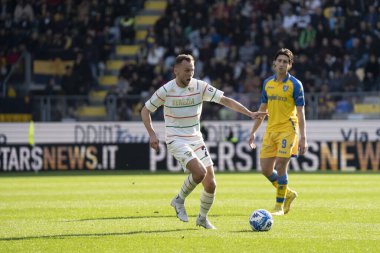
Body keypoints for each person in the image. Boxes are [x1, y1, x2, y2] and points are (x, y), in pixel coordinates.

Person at [141, 54, 267, 229]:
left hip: (196, 138)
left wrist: (250, 113)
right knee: (199, 173)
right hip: (176, 139)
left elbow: (225, 100)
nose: (190, 74)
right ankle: (179, 200)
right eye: (186, 70)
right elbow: (145, 110)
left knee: (211, 184)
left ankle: (201, 218)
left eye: (192, 70)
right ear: (175, 70)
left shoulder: (200, 86)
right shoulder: (166, 90)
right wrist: (152, 134)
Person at [248, 48, 308, 216]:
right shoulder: (268, 83)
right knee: (266, 170)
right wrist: (253, 132)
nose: (282, 64)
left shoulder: (295, 85)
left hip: (288, 129)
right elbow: (262, 109)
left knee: (281, 164)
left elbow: (301, 112)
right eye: (279, 61)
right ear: (274, 63)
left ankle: (279, 207)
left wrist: (303, 137)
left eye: (285, 62)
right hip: (271, 129)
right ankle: (288, 193)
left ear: (290, 65)